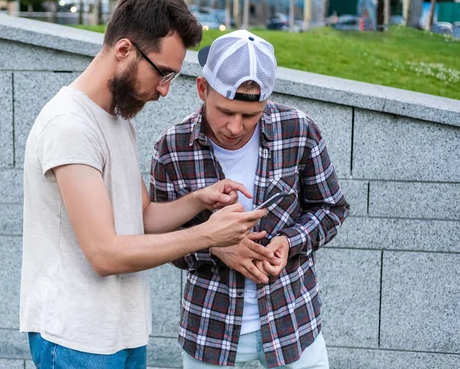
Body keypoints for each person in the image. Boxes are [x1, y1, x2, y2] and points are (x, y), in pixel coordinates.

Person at [19, 0, 271, 369]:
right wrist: (209, 235)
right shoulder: (69, 125)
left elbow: (142, 216)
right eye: (162, 73)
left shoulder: (118, 119)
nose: (166, 89)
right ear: (124, 50)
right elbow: (105, 254)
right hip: (75, 340)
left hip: (119, 332)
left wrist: (200, 200)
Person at [150, 30, 350, 368]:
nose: (235, 127)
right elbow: (158, 236)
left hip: (293, 325)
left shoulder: (299, 131)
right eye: (225, 111)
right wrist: (213, 244)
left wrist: (290, 242)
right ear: (202, 89)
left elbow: (331, 208)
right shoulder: (172, 147)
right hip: (210, 333)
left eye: (250, 115)